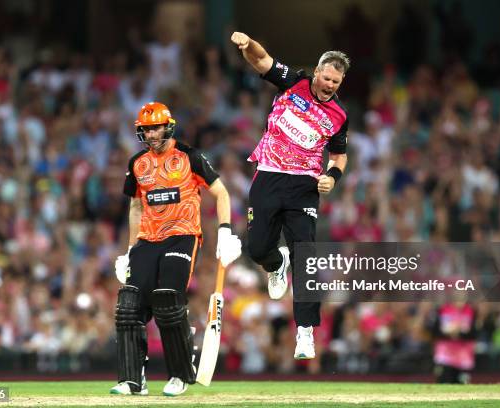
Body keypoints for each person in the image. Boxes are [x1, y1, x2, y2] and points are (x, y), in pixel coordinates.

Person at [230, 32, 350, 359]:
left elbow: (339, 156)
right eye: (326, 78)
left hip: (304, 185)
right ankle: (275, 261)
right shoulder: (294, 82)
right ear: (317, 72)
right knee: (257, 249)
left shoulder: (339, 115)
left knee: (305, 255)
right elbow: (261, 59)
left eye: (335, 82)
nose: (329, 85)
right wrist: (248, 43)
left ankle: (306, 332)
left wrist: (332, 177)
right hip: (268, 174)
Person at [110, 102, 242, 396]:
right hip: (147, 239)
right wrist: (130, 249)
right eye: (145, 129)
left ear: (168, 126)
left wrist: (224, 232)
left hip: (183, 236)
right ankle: (132, 380)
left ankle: (180, 374)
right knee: (129, 306)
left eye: (155, 127)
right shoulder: (137, 163)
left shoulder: (190, 157)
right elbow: (135, 207)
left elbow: (221, 193)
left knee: (168, 300)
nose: (151, 133)